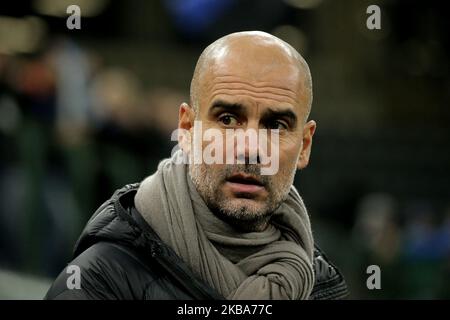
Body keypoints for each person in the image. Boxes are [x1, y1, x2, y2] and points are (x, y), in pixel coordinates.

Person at [45, 31, 348, 300]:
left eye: (277, 125)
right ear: (187, 129)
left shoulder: (321, 286)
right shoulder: (98, 282)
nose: (250, 149)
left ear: (305, 146)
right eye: (227, 119)